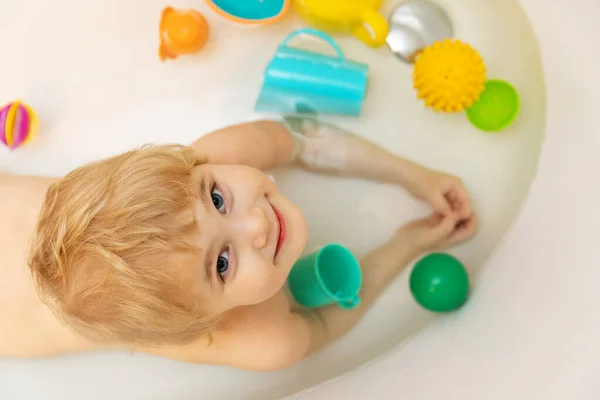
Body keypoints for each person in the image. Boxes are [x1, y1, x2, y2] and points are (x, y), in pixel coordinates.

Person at [0, 116, 477, 370]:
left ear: (190, 165)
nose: (257, 226)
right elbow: (323, 324)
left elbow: (300, 137)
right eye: (223, 264)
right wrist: (406, 243)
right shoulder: (258, 338)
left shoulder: (215, 155)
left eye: (217, 198)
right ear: (207, 319)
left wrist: (414, 175)